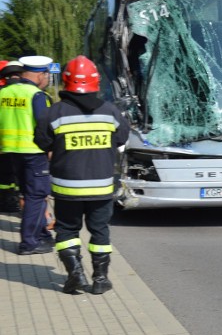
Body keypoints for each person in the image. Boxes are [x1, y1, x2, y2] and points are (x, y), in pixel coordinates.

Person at [35, 56, 129, 294]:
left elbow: (41, 143)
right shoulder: (110, 112)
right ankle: (100, 279)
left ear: (66, 81)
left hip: (68, 188)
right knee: (100, 231)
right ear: (95, 82)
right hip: (101, 188)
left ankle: (75, 274)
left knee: (67, 231)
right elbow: (121, 139)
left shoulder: (53, 113)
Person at [0, 55, 54, 254]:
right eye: (47, 75)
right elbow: (44, 126)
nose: (48, 79)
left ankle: (42, 234)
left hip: (11, 151)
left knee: (30, 195)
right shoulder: (37, 95)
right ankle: (30, 242)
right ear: (40, 75)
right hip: (34, 152)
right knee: (36, 196)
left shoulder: (5, 92)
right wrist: (50, 149)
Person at [0, 60, 24, 212]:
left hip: (3, 143)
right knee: (18, 176)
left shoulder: (2, 93)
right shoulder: (29, 92)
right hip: (24, 144)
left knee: (4, 175)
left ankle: (5, 201)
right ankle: (17, 201)